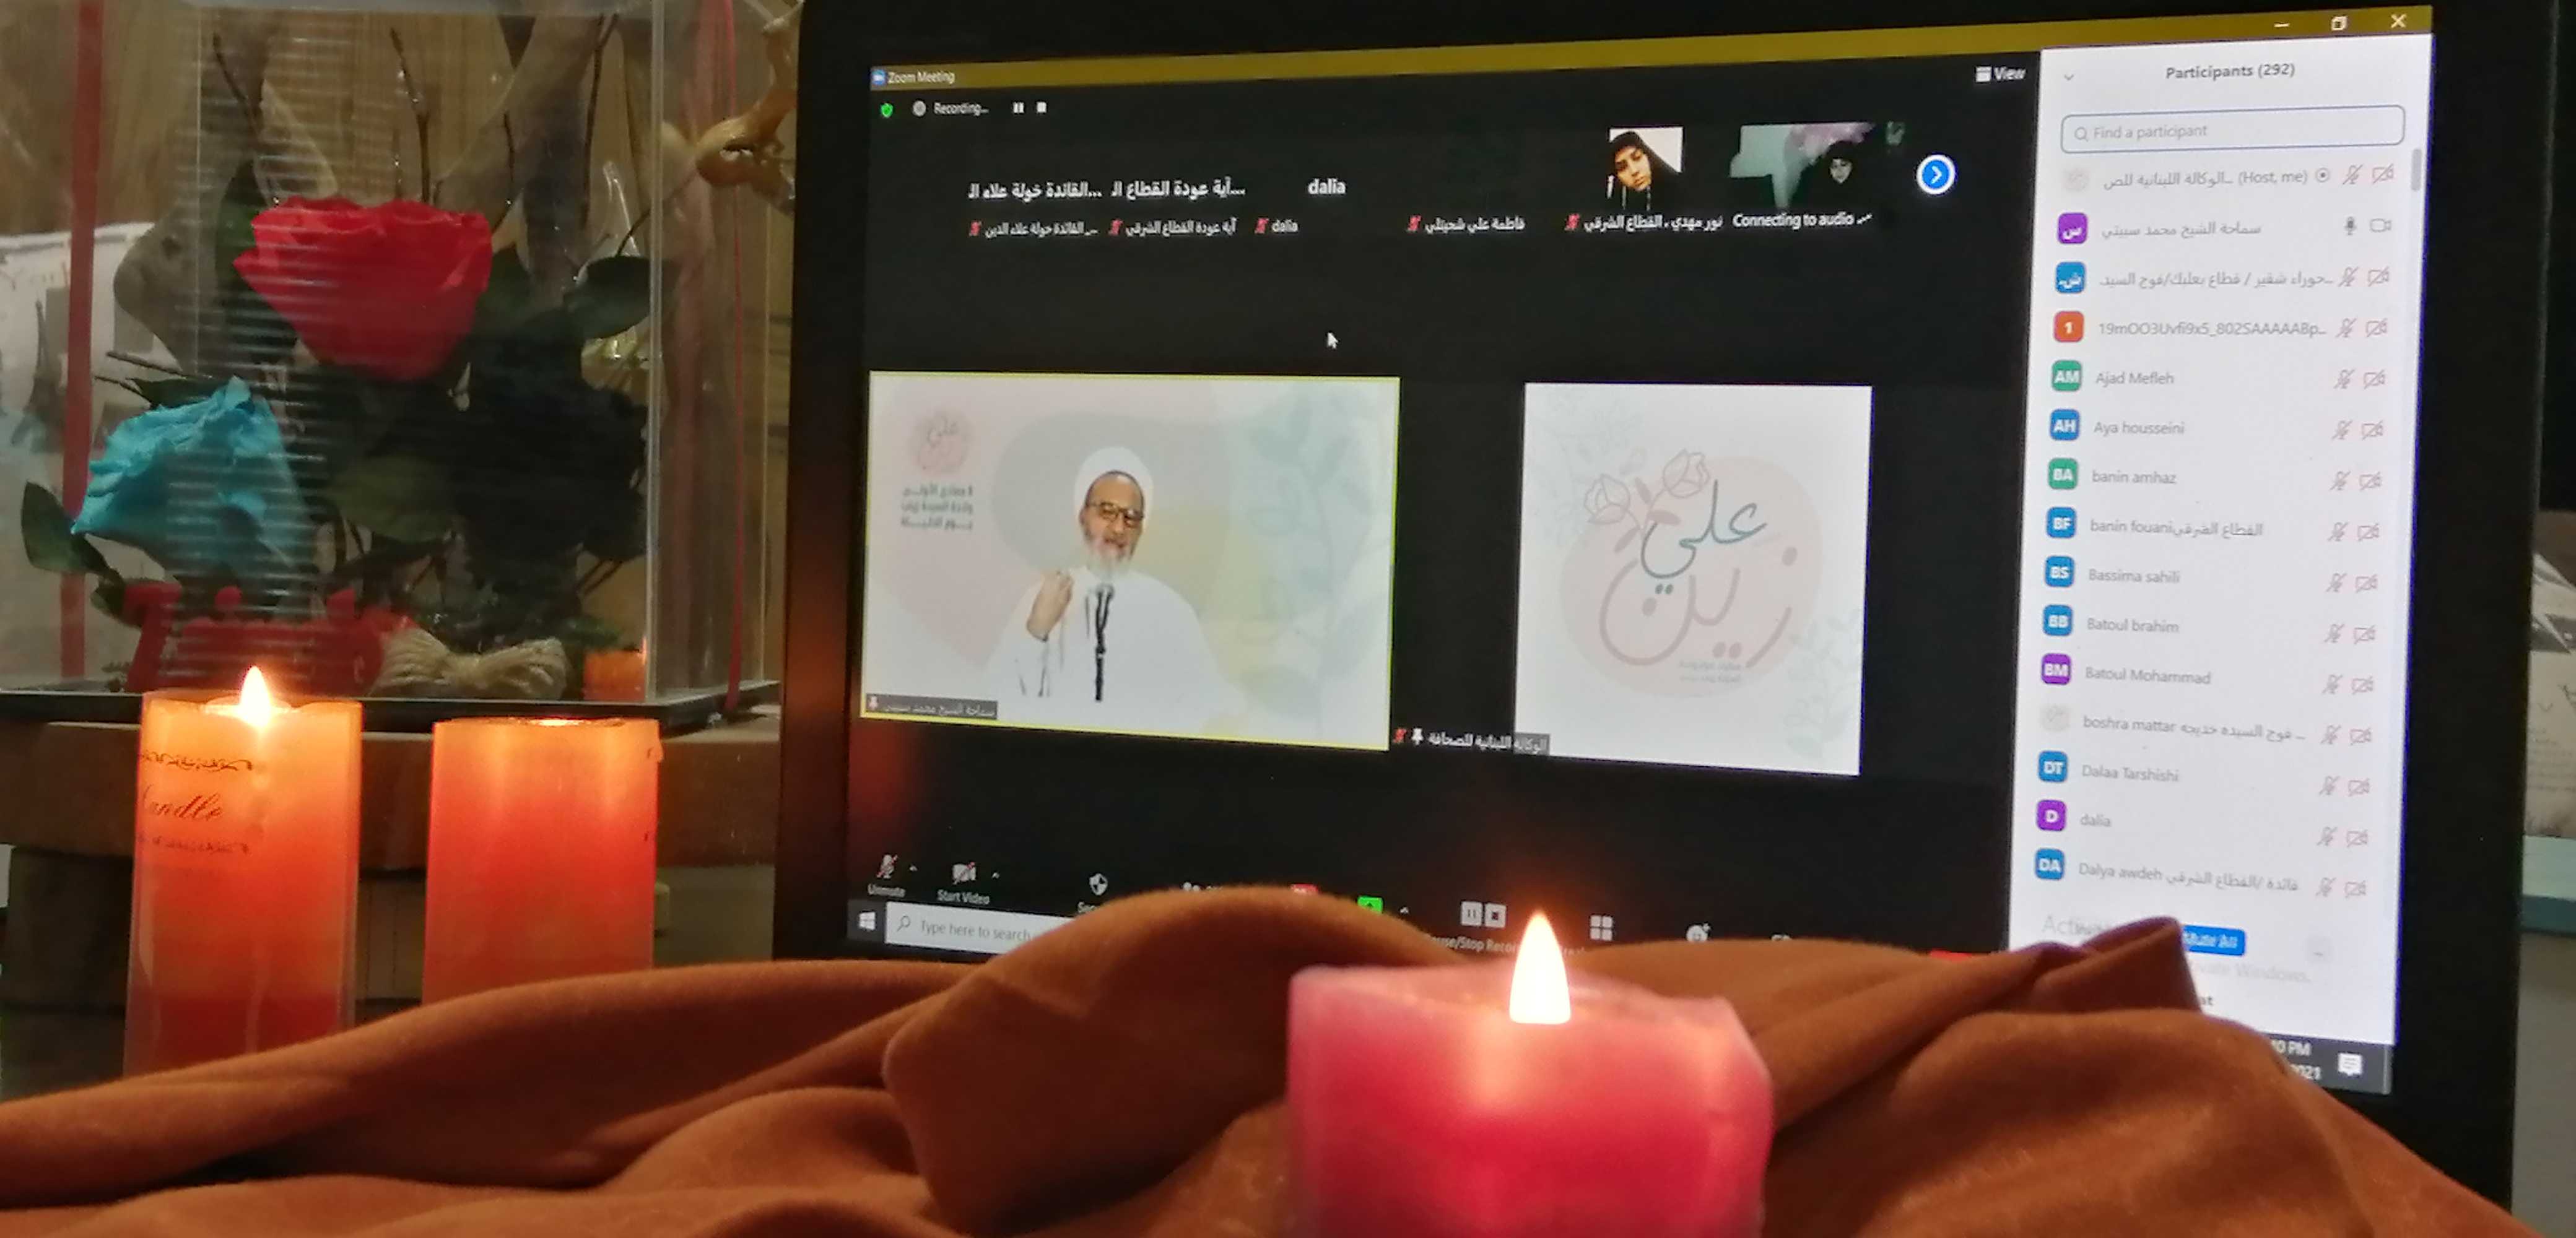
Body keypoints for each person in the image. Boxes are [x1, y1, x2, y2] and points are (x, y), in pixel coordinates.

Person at [985, 448, 1242, 732]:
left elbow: (1213, 705)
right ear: (1083, 516)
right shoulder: (1043, 597)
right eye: (1107, 511)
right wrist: (1036, 631)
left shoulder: (1170, 610)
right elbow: (996, 699)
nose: (1119, 528)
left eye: (1131, 517)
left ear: (1141, 529)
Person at [1606, 131, 1681, 212]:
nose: (1634, 171)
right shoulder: (1612, 207)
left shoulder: (1680, 191)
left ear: (1648, 157)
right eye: (1622, 167)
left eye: (1637, 157)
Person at [1793, 139, 1868, 212]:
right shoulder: (1817, 193)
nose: (1839, 170)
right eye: (1834, 166)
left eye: (1844, 165)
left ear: (1853, 165)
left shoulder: (1865, 192)